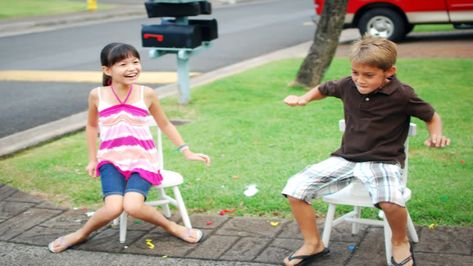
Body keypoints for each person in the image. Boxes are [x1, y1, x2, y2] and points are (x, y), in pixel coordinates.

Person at [281, 36, 450, 266]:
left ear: (389, 71)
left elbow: (431, 116)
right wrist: (304, 98)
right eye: (355, 73)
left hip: (384, 161)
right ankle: (313, 244)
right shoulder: (347, 85)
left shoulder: (403, 94)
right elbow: (324, 88)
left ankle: (400, 243)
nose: (360, 80)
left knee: (390, 202)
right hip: (346, 158)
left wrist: (435, 134)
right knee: (295, 189)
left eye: (368, 75)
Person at [48, 43, 211, 253]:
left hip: (143, 161)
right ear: (107, 70)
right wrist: (92, 159)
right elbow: (91, 126)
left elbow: (165, 124)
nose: (132, 68)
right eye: (123, 64)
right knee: (113, 208)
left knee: (132, 206)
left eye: (135, 62)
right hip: (110, 161)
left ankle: (173, 227)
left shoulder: (147, 93)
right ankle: (80, 234)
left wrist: (187, 151)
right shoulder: (97, 95)